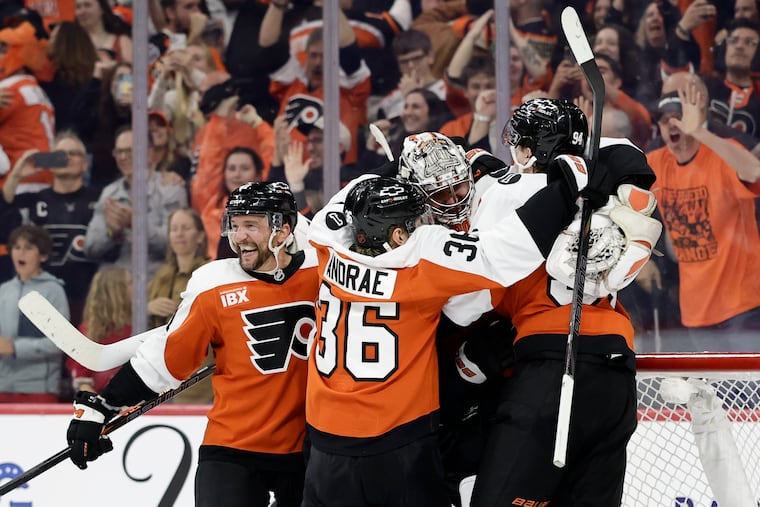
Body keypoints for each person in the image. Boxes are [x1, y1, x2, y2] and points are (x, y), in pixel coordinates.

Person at [302, 142, 607, 506]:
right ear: (399, 235)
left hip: (324, 441)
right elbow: (505, 252)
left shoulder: (326, 242)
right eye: (414, 220)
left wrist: (410, 165)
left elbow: (356, 190)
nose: (423, 224)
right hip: (397, 443)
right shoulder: (421, 261)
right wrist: (567, 187)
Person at [458, 99, 659, 506]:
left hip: (551, 366)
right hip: (616, 369)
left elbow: (465, 304)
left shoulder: (504, 192)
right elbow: (628, 154)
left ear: (529, 151)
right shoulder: (601, 186)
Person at [66, 182, 318, 507]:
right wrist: (102, 407)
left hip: (309, 453)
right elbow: (166, 361)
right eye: (235, 225)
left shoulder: (323, 270)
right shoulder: (213, 284)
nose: (239, 237)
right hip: (233, 451)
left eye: (251, 226)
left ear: (282, 231)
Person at [646, 72, 760, 350]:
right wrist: (641, 259)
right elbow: (613, 199)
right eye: (664, 119)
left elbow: (754, 171)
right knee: (709, 394)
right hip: (695, 311)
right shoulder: (656, 163)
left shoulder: (723, 153)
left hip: (743, 305)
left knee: (750, 391)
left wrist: (699, 131)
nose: (671, 124)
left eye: (678, 116)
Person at [1, 131, 102, 326]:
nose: (68, 158)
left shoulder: (100, 199)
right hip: (41, 301)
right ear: (50, 162)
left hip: (91, 300)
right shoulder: (33, 201)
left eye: (74, 153)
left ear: (85, 163)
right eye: (60, 154)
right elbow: (3, 225)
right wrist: (16, 175)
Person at [84, 126, 188, 278]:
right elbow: (90, 249)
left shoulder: (171, 191)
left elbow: (176, 245)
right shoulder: (110, 194)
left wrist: (136, 223)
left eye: (130, 151)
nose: (123, 157)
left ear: (150, 153)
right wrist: (112, 233)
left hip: (157, 284)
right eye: (119, 152)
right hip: (116, 288)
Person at [0, 224, 69, 402]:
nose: (21, 253)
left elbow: (61, 343)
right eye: (17, 247)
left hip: (38, 389)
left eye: (28, 248)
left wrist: (15, 347)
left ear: (43, 255)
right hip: (3, 387)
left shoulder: (53, 291)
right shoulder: (4, 291)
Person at [67, 265, 132, 394]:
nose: (138, 288)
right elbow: (82, 380)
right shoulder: (91, 329)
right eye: (130, 283)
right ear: (117, 292)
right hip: (107, 405)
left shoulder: (142, 322)